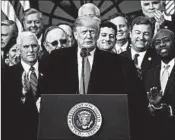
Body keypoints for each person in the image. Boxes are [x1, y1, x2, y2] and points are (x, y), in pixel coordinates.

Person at [40, 15, 148, 140]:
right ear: (75, 34)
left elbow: (133, 99)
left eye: (92, 32)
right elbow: (47, 91)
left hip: (104, 128)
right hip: (65, 127)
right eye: (84, 32)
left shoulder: (116, 63)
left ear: (97, 35)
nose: (89, 36)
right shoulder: (57, 58)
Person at [2, 31, 42, 140]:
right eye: (26, 47)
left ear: (39, 47)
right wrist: (23, 95)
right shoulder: (6, 75)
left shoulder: (50, 70)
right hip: (20, 133)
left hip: (46, 131)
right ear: (19, 50)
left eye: (34, 46)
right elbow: (6, 112)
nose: (31, 50)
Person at [144, 29, 175, 140]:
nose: (162, 44)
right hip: (157, 132)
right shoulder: (150, 73)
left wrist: (167, 108)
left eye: (166, 40)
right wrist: (154, 106)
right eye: (157, 42)